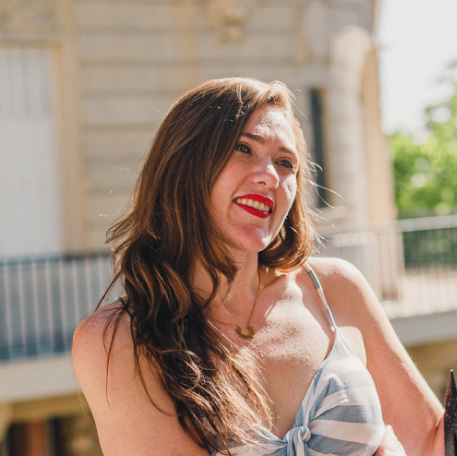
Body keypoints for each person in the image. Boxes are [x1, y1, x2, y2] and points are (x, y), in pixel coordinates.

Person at [71, 77, 444, 456]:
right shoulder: (115, 341)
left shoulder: (335, 290)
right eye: (243, 148)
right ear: (184, 164)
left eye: (285, 163)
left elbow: (432, 441)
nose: (270, 176)